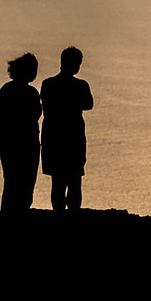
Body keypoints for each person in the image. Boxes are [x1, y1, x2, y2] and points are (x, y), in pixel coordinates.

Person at [39, 46, 95, 211]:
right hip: (73, 137)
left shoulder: (47, 84)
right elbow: (89, 104)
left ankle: (59, 215)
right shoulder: (81, 85)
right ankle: (73, 215)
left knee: (57, 181)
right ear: (76, 64)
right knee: (74, 179)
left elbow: (47, 105)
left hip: (53, 136)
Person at [0, 53, 42, 213]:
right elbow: (35, 115)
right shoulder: (31, 93)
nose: (36, 73)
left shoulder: (6, 90)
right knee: (23, 181)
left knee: (12, 180)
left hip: (11, 141)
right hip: (23, 142)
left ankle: (11, 212)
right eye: (33, 69)